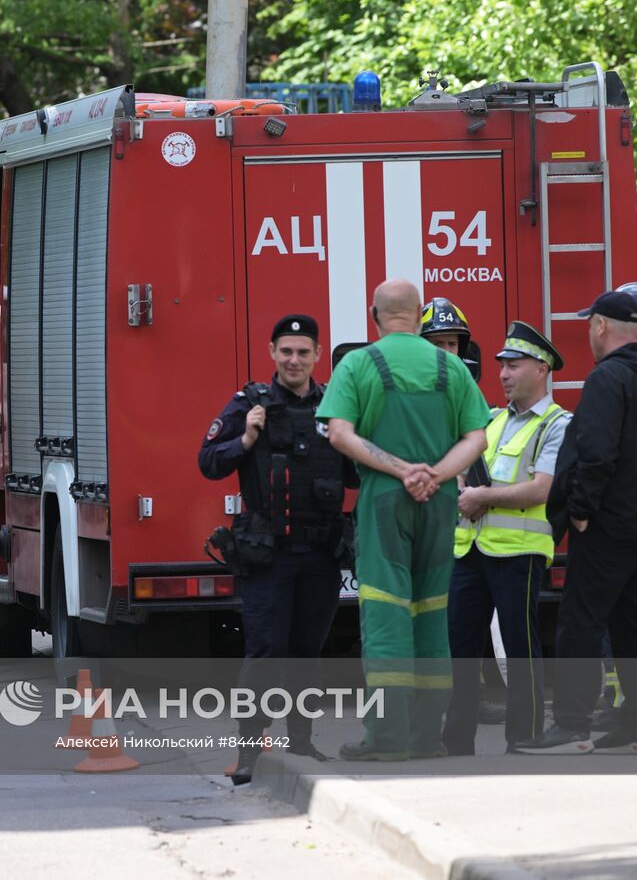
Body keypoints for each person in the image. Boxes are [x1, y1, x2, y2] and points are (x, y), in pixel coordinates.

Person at [318, 279, 489, 761]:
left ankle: (387, 740)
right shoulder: (451, 367)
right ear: (418, 315)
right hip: (438, 502)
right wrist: (434, 475)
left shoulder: (357, 364)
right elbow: (476, 438)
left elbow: (338, 433)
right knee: (433, 616)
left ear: (374, 316)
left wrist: (399, 470)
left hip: (384, 502)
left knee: (388, 615)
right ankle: (426, 738)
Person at [518, 284, 637, 755]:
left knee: (581, 622)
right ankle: (635, 728)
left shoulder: (609, 379)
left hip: (607, 526)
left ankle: (570, 725)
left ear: (603, 326)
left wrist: (582, 512)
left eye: (592, 323)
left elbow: (595, 452)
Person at [198, 314, 358, 783]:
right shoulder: (251, 403)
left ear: (316, 355)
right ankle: (250, 752)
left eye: (303, 352)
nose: (294, 360)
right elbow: (207, 462)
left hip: (321, 554)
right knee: (267, 650)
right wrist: (246, 439)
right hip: (268, 555)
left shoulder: (335, 405)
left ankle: (302, 743)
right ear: (272, 353)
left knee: (307, 651)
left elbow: (356, 474)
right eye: (285, 351)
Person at [443, 322, 570, 755]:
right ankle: (456, 742)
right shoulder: (493, 420)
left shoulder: (558, 424)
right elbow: (463, 467)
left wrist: (482, 497)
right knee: (459, 651)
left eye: (513, 366)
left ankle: (526, 737)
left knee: (521, 650)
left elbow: (542, 489)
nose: (502, 374)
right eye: (501, 367)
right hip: (471, 550)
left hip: (519, 555)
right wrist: (465, 488)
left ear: (542, 369)